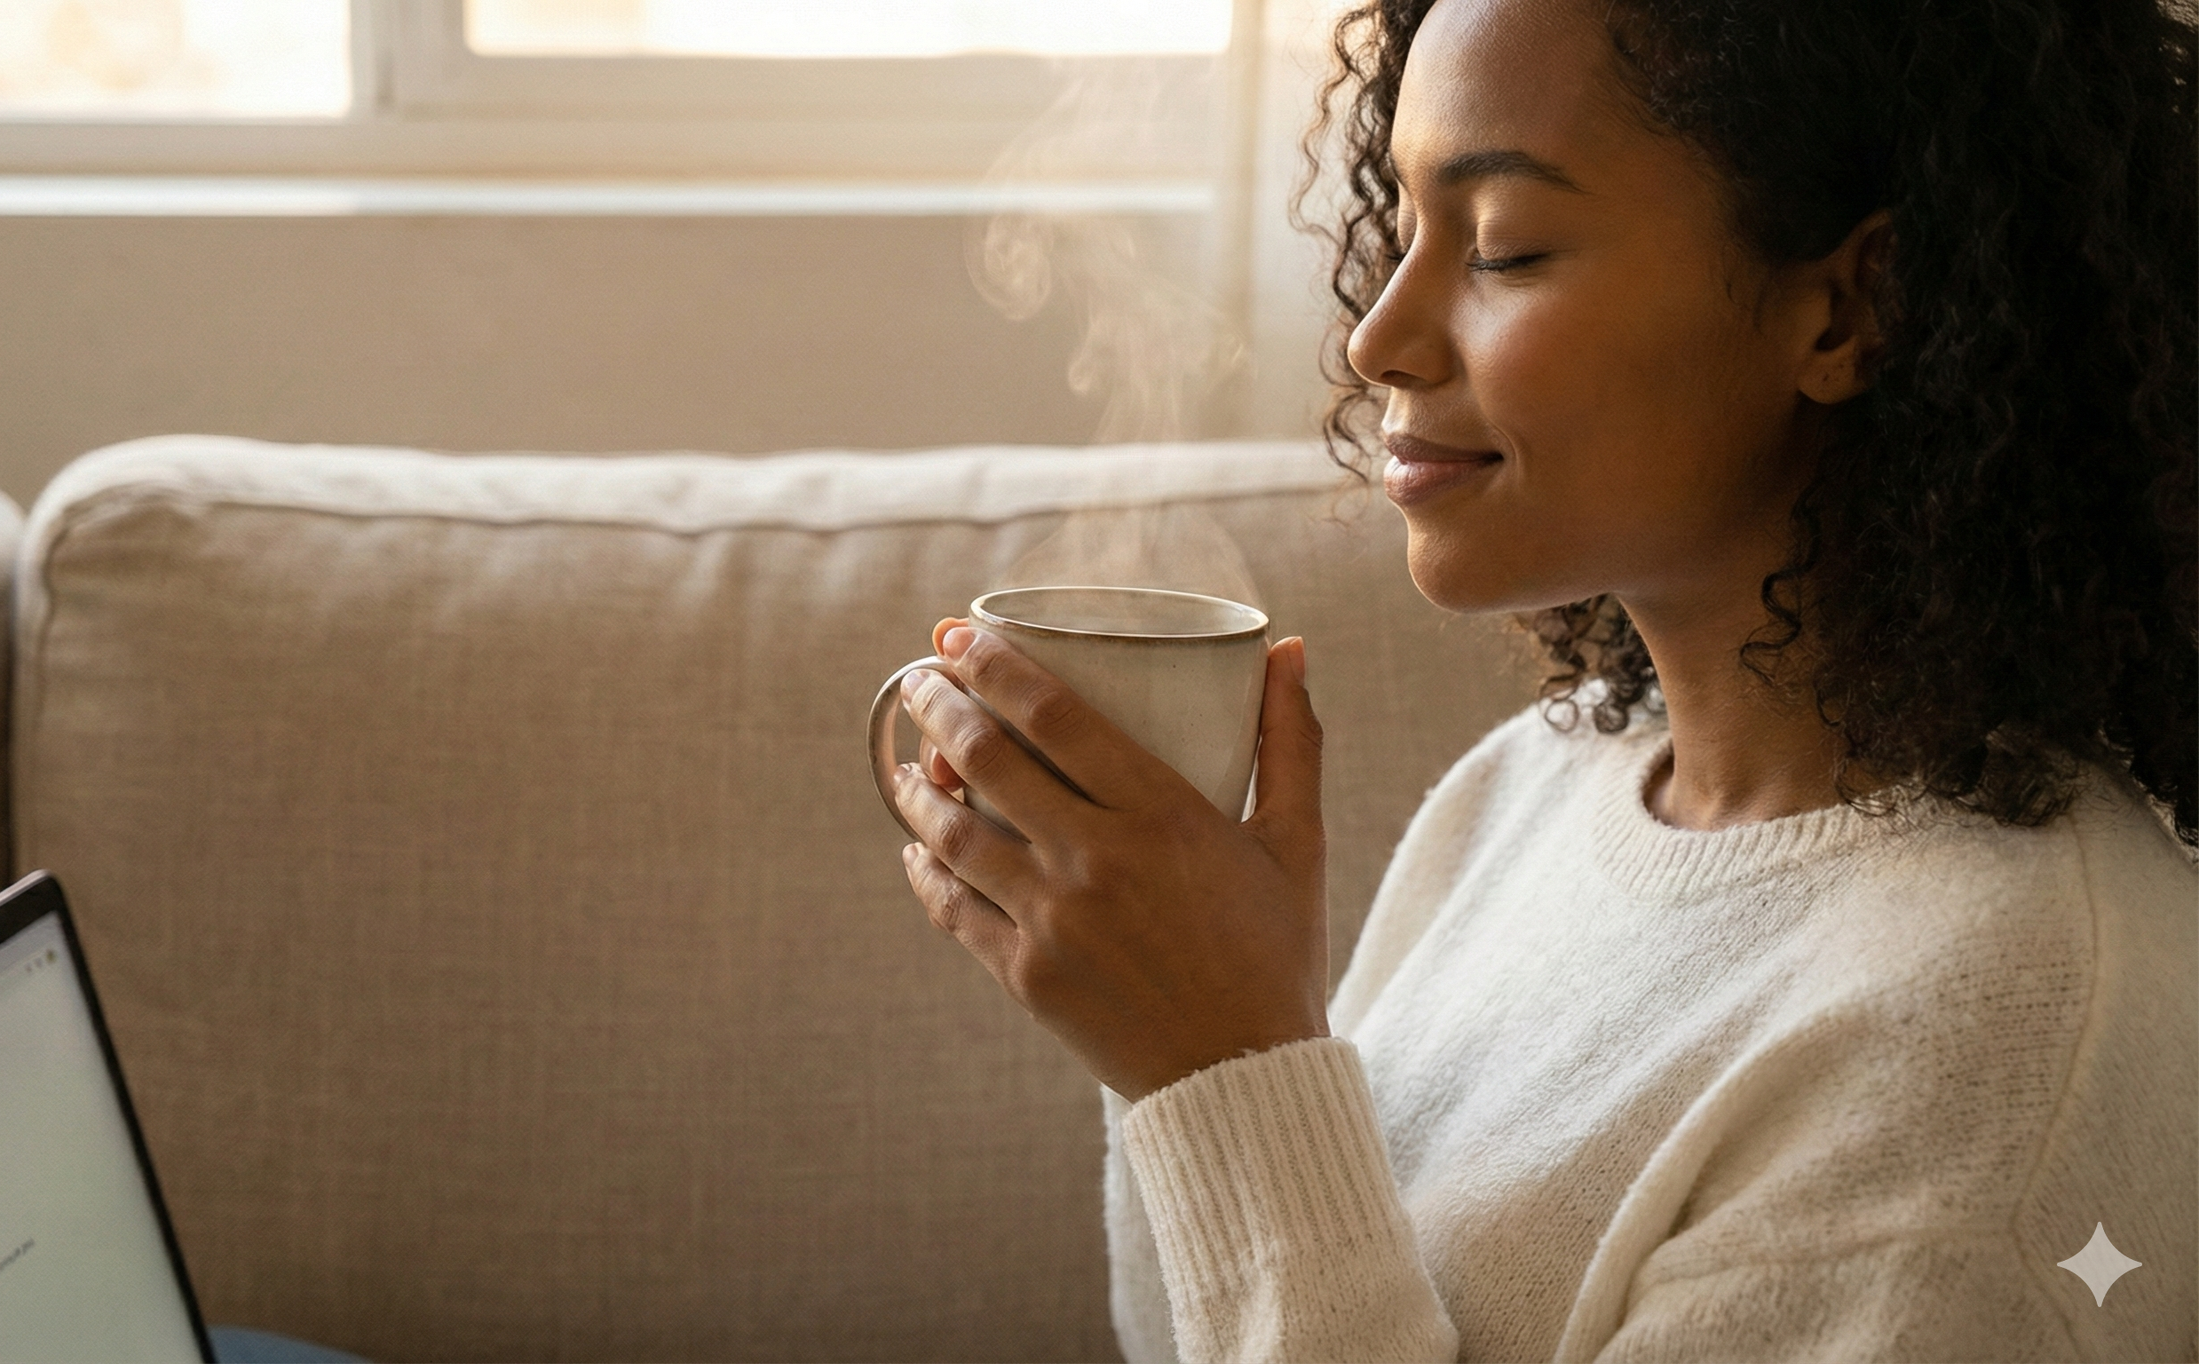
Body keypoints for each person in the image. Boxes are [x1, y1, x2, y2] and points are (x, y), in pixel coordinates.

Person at [885, 0, 2197, 1357]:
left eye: (1505, 247)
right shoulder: (1540, 786)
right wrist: (1183, 1031)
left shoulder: (1985, 1050)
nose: (1376, 339)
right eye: (1401, 228)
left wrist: (1220, 1065)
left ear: (1853, 309)